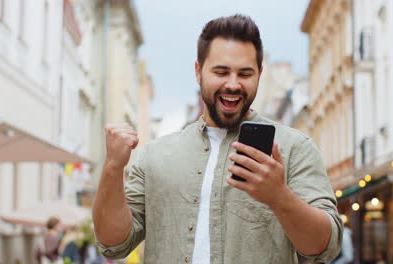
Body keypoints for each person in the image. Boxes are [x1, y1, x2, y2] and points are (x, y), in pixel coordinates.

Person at [92, 14, 343, 264]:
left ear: (260, 73)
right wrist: (113, 166)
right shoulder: (155, 155)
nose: (233, 84)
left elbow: (325, 248)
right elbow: (113, 245)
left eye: (245, 74)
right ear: (198, 71)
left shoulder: (295, 148)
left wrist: (278, 196)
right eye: (221, 72)